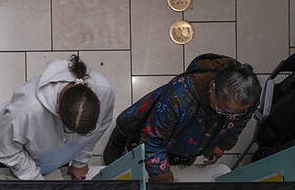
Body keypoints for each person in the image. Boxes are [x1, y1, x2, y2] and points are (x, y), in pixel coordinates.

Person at [103, 54, 260, 182]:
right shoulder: (179, 95)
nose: (226, 116)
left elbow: (237, 126)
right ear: (212, 88)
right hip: (166, 127)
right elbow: (153, 139)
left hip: (193, 139)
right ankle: (119, 139)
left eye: (234, 113)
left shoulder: (247, 99)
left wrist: (222, 145)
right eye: (221, 108)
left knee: (181, 162)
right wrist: (161, 175)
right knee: (131, 130)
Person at [0, 54, 115, 180]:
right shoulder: (25, 111)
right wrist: (35, 179)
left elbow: (98, 131)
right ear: (58, 109)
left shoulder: (105, 92)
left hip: (57, 156)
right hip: (24, 160)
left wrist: (80, 162)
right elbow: (8, 150)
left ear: (99, 103)